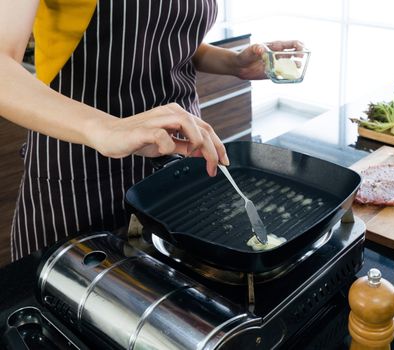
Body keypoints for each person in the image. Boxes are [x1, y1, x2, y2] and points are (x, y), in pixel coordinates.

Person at [0, 0, 303, 261]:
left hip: (179, 156)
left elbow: (164, 35)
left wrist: (233, 63)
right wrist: (108, 127)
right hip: (79, 164)